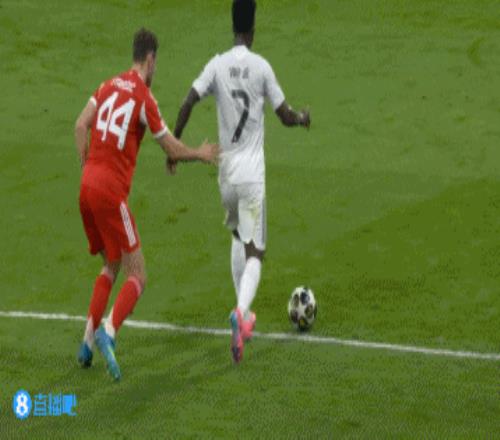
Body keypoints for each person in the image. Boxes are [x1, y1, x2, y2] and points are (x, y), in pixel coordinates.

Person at [171, 0, 311, 363]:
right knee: (256, 253)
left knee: (236, 236)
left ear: (233, 26)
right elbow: (284, 115)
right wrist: (302, 118)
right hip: (251, 177)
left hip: (226, 174)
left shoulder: (216, 64)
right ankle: (240, 312)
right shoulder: (261, 67)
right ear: (253, 29)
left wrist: (174, 146)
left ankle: (242, 315)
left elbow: (187, 102)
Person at [74, 28, 218, 381]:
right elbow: (170, 147)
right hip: (110, 193)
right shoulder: (143, 98)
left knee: (111, 262)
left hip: (87, 187)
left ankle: (86, 344)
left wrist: (88, 168)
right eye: (156, 62)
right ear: (150, 59)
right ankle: (109, 331)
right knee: (137, 274)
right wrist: (199, 153)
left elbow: (79, 125)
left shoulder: (107, 85)